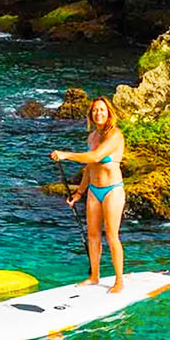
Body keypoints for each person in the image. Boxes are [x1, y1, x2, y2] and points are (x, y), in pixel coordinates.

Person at [51, 96, 126, 293]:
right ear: (91, 115)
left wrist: (66, 155)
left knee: (111, 236)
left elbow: (95, 156)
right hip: (94, 190)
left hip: (113, 190)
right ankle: (94, 276)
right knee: (93, 236)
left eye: (102, 110)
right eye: (94, 110)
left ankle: (119, 281)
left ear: (109, 112)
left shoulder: (115, 136)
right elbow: (89, 167)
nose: (98, 113)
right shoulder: (92, 137)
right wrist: (79, 193)